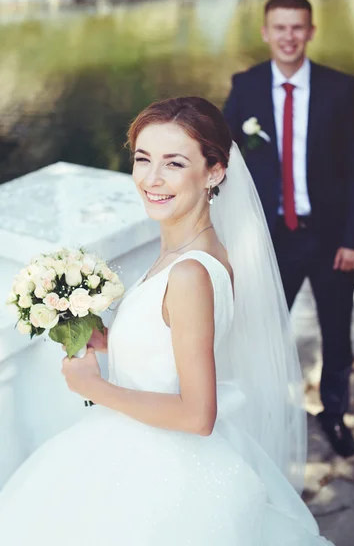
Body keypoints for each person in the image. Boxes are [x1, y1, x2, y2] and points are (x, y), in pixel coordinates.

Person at [0, 97, 333, 545]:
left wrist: (93, 388)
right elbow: (173, 347)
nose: (151, 179)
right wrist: (111, 340)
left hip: (162, 467)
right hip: (142, 443)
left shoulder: (191, 271)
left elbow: (198, 415)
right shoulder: (191, 252)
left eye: (174, 163)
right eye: (143, 159)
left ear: (214, 172)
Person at [223, 0, 354, 458]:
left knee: (336, 331)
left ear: (310, 31)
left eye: (297, 27)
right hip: (272, 241)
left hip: (332, 240)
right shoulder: (245, 86)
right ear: (266, 32)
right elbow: (223, 158)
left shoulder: (340, 88)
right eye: (280, 27)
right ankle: (264, 415)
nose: (288, 36)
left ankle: (334, 414)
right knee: (263, 332)